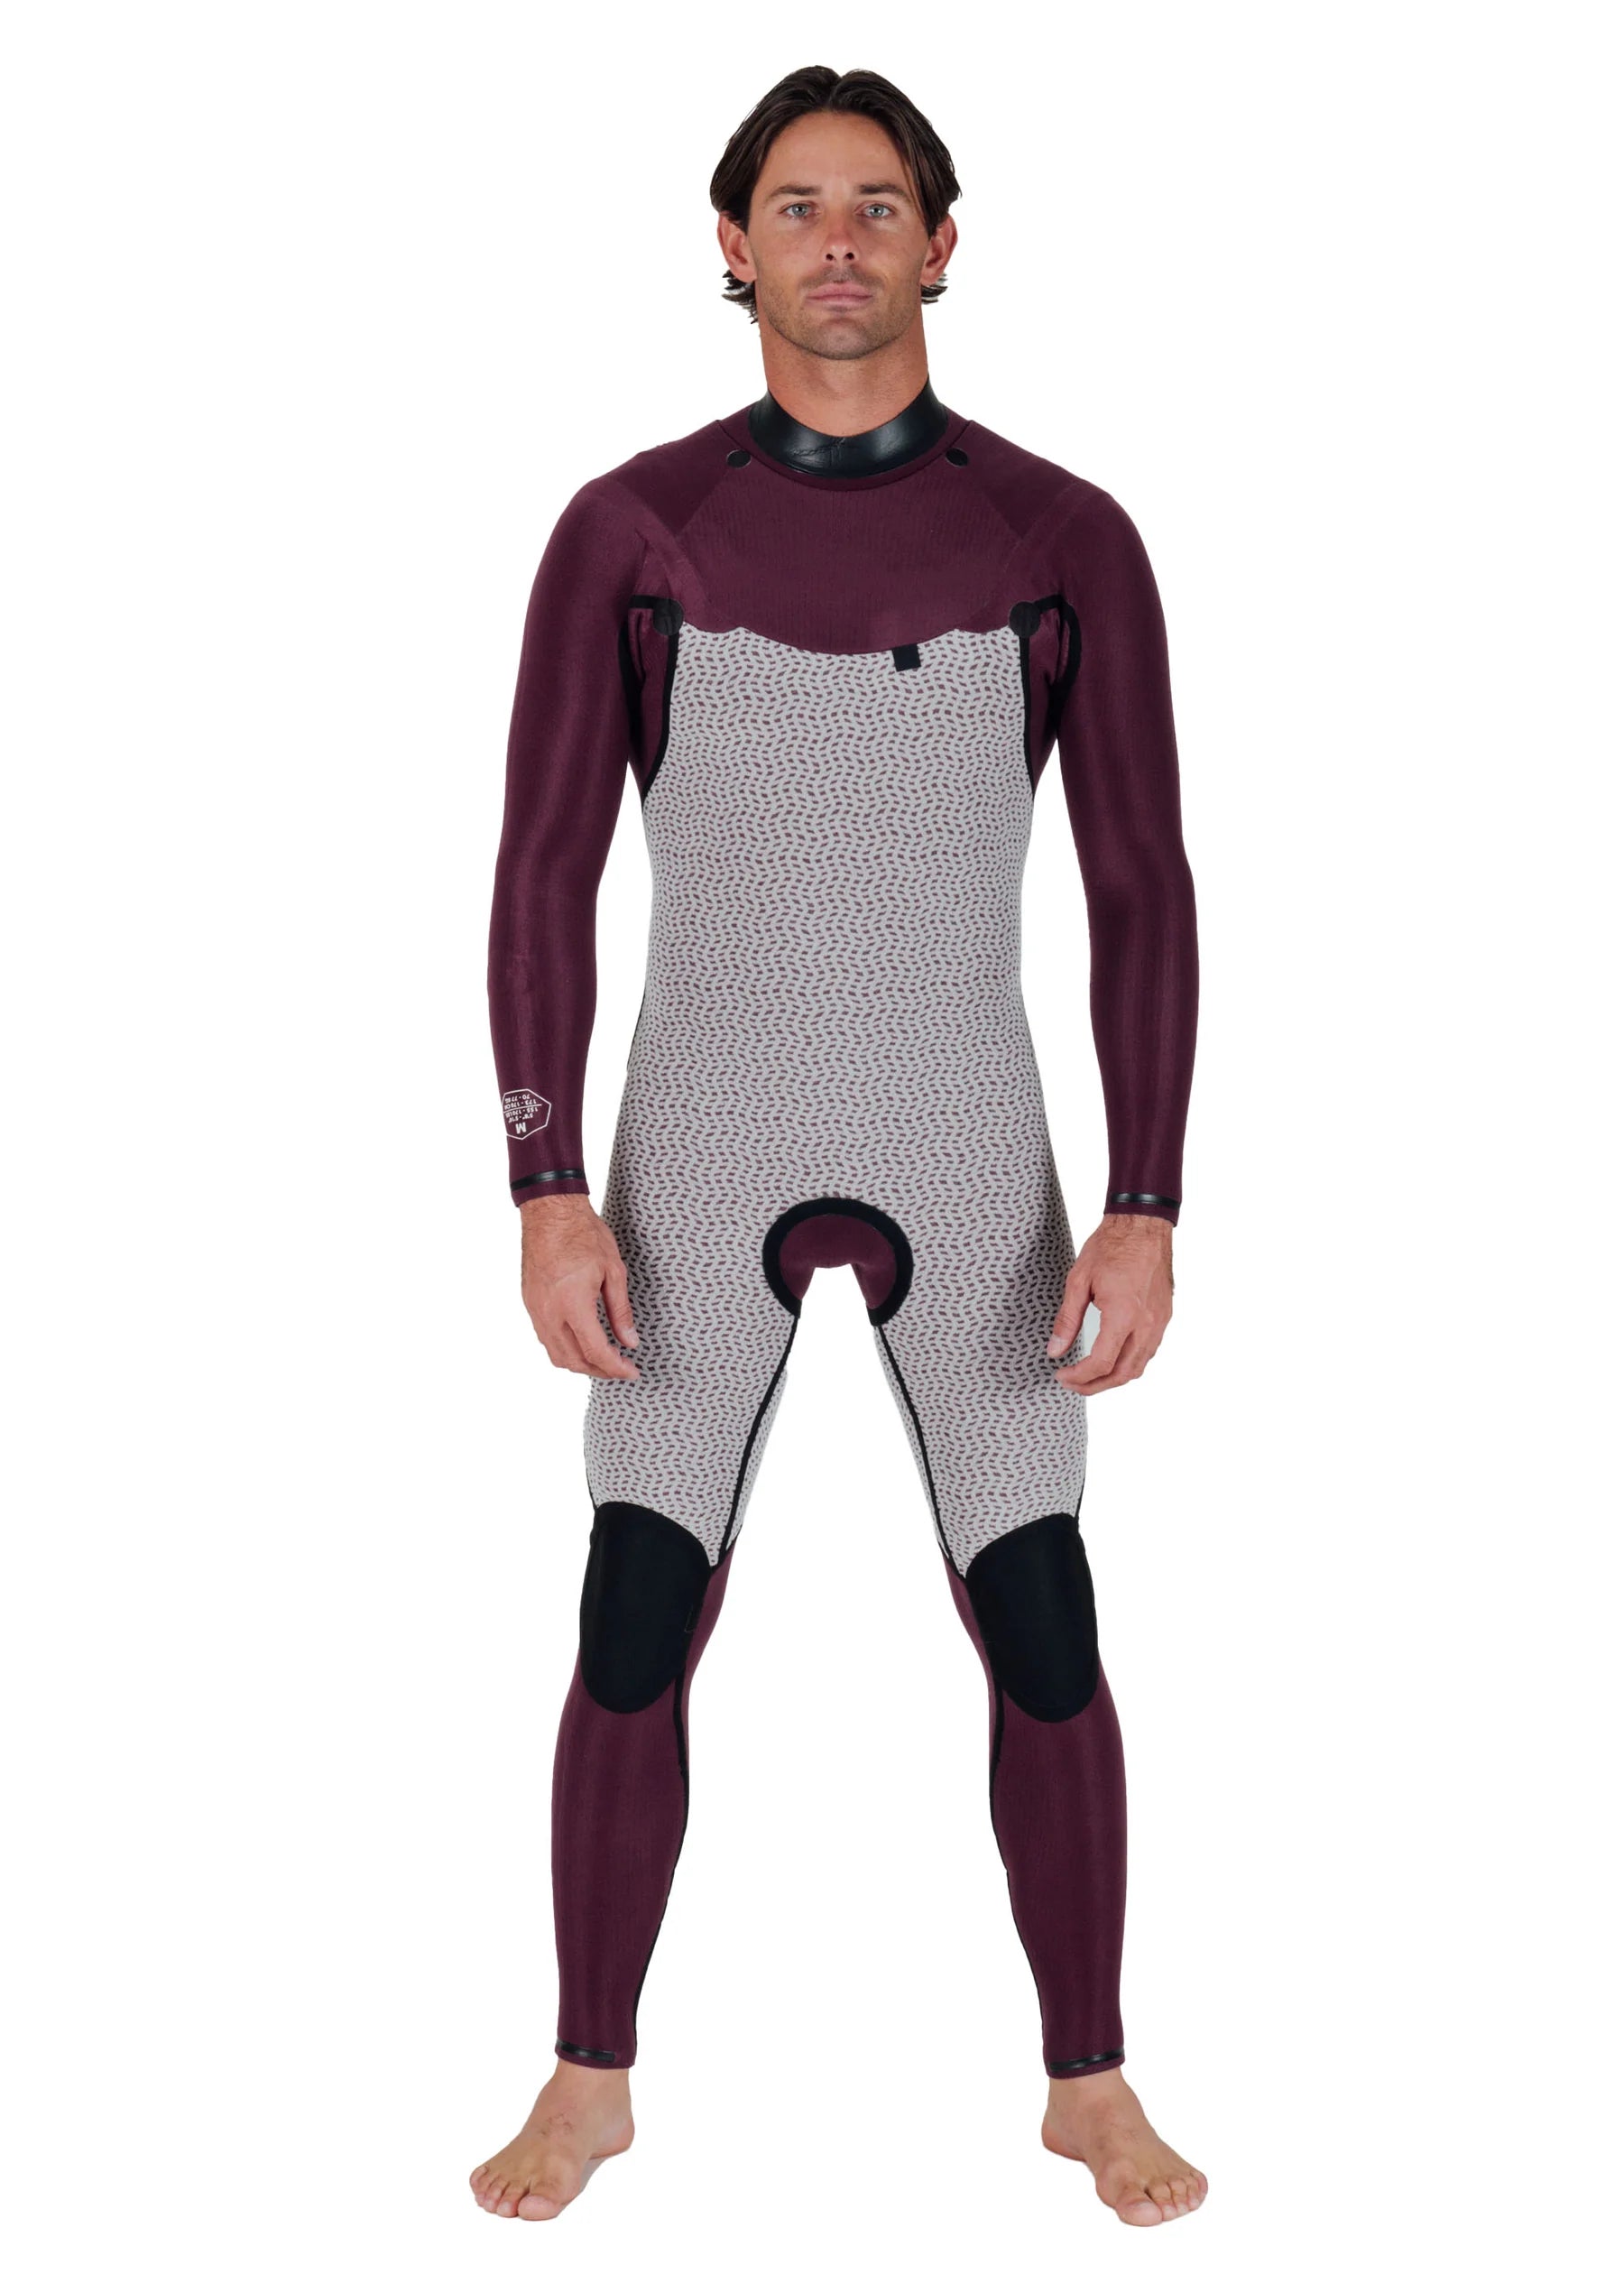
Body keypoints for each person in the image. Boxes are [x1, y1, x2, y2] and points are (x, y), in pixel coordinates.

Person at [471, 64, 1204, 2227]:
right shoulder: (631, 532)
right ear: (734, 247)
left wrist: (1148, 1202)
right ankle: (589, 2079)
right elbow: (540, 870)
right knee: (633, 1611)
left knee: (1044, 1615)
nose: (841, 240)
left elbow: (1142, 883)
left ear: (943, 243)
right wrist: (543, 1184)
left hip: (968, 1133)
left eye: (880, 204)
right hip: (700, 1132)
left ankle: (1090, 2083)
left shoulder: (1064, 539)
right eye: (797, 205)